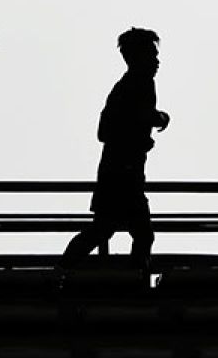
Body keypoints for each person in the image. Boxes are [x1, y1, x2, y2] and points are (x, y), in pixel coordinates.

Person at [60, 28, 170, 272]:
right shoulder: (135, 85)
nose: (157, 61)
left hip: (119, 171)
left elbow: (109, 129)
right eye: (152, 55)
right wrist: (154, 120)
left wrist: (146, 126)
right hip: (123, 173)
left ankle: (62, 272)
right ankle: (132, 283)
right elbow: (109, 129)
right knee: (138, 234)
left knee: (105, 230)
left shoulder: (130, 86)